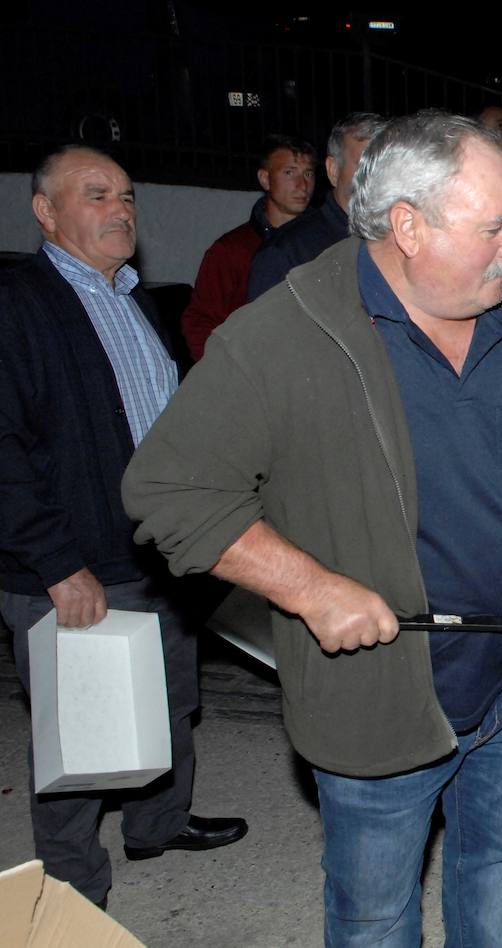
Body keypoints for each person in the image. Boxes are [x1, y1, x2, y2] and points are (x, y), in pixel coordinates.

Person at [123, 113, 502, 943]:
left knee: (493, 884)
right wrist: (310, 588)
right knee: (375, 921)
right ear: (406, 226)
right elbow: (169, 490)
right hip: (379, 704)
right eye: (494, 227)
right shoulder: (280, 337)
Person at [0, 145, 247, 910]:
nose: (121, 209)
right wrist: (52, 562)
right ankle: (71, 889)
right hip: (71, 564)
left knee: (170, 702)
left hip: (154, 553)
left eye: (128, 195)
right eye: (97, 194)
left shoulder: (137, 299)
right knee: (80, 740)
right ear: (46, 212)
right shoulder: (20, 303)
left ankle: (157, 823)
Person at [181, 134, 315, 360]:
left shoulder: (325, 243)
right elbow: (200, 321)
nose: (302, 185)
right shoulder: (231, 250)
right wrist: (225, 371)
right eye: (289, 172)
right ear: (265, 179)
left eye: (309, 173)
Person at [246, 111, 387, 301]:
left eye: (385, 165)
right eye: (365, 165)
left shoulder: (403, 239)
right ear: (333, 170)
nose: (377, 177)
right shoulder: (286, 254)